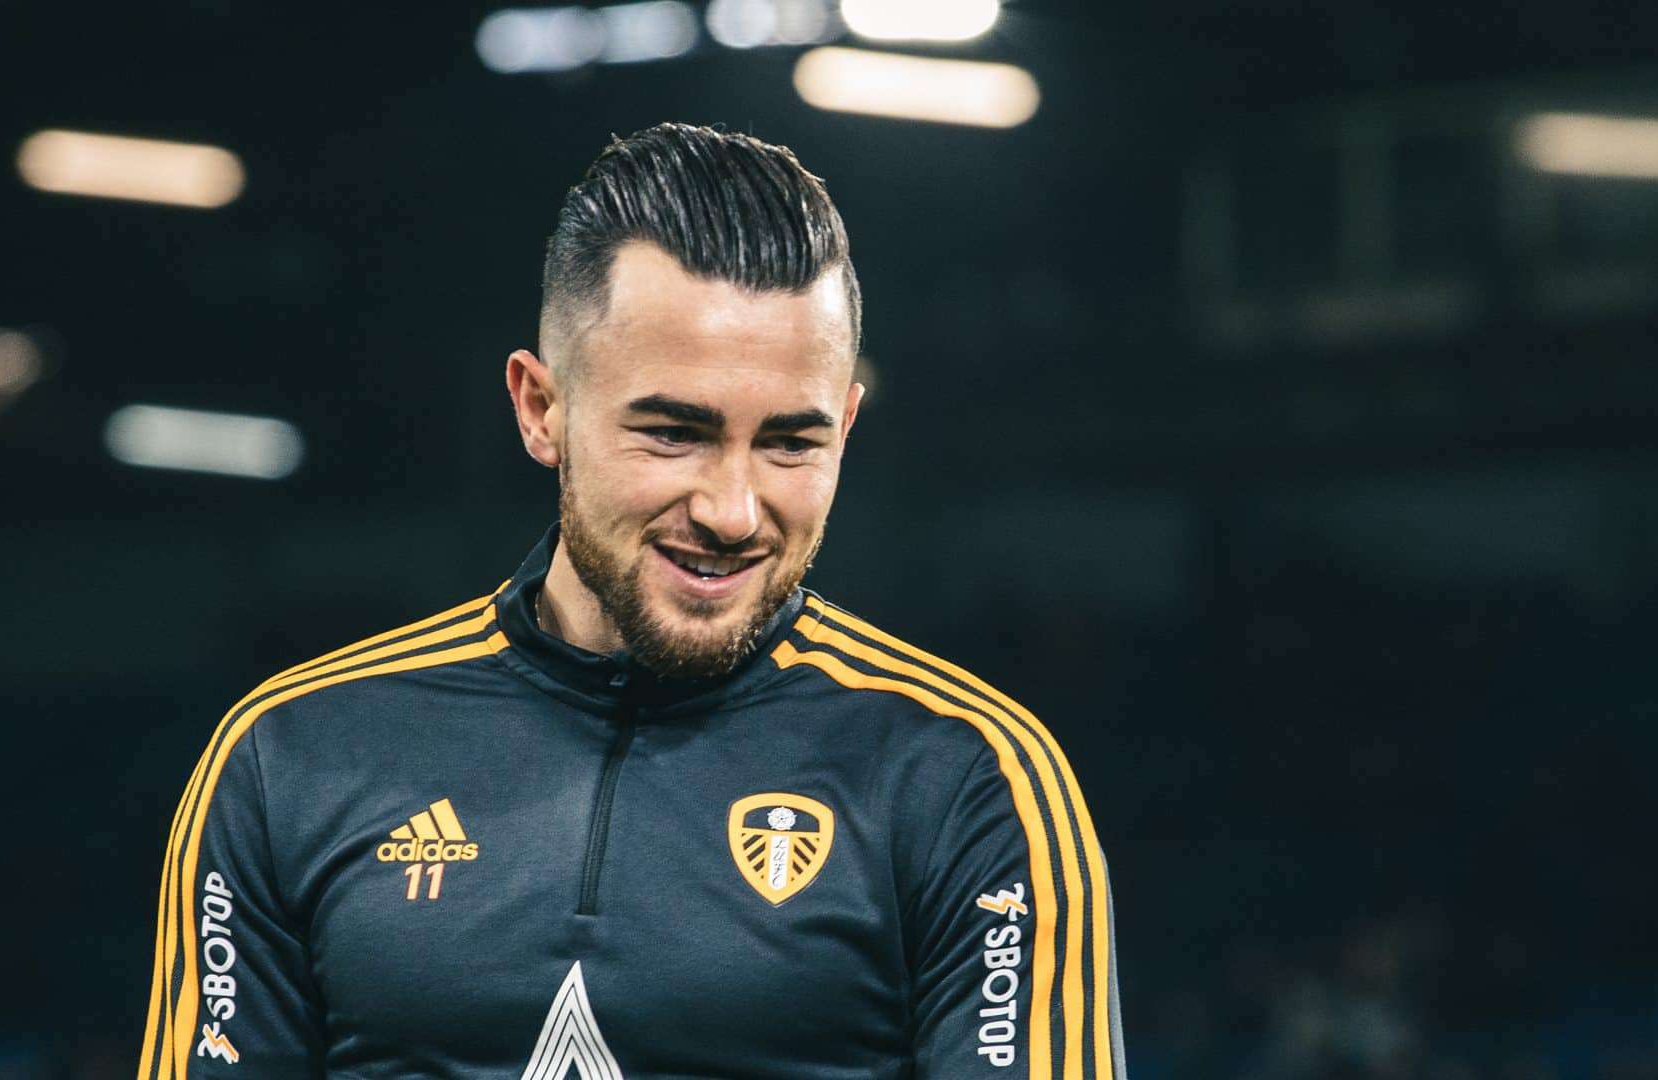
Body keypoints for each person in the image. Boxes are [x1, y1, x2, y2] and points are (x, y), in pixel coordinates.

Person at [137, 122, 1123, 1080]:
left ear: (848, 425)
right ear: (540, 409)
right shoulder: (290, 757)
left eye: (791, 441)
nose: (734, 511)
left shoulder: (967, 782)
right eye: (673, 432)